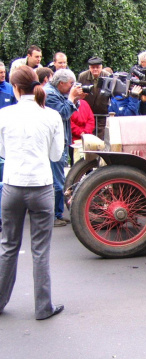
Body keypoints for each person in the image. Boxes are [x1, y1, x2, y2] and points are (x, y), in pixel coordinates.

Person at [0, 65, 65, 319]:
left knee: (8, 246)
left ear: (15, 88)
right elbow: (55, 155)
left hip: (13, 185)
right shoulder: (50, 116)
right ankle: (43, 307)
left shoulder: (4, 115)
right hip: (41, 187)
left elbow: (2, 152)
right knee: (40, 250)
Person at [44, 69, 84, 226]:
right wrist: (73, 97)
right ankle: (54, 216)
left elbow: (70, 108)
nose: (72, 87)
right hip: (54, 143)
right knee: (57, 180)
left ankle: (58, 214)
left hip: (60, 140)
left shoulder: (56, 91)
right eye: (70, 84)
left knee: (59, 178)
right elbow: (63, 113)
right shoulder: (49, 94)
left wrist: (76, 98)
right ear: (61, 83)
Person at [78, 57, 111, 139]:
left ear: (102, 67)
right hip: (87, 111)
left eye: (98, 67)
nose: (95, 69)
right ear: (89, 68)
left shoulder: (108, 76)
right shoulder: (82, 76)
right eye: (93, 67)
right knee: (88, 136)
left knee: (102, 137)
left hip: (103, 111)